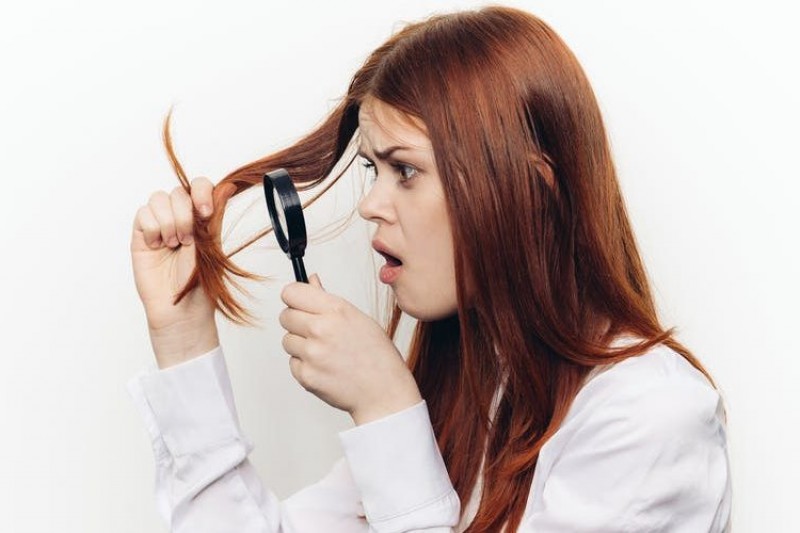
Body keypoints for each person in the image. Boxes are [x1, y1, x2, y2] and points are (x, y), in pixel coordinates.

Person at [128, 6, 731, 532]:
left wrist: (386, 410)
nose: (371, 205)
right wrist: (182, 338)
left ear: (531, 188)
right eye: (373, 170)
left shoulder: (650, 418)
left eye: (406, 171)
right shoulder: (464, 398)